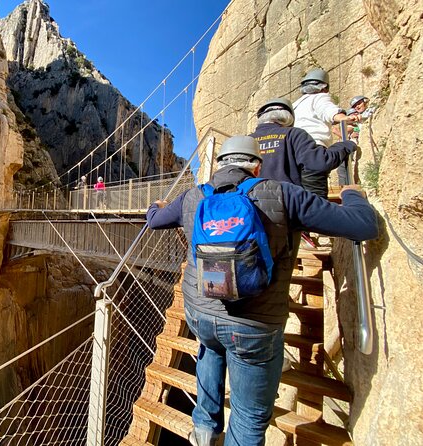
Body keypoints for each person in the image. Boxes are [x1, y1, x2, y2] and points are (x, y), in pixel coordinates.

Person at [146, 135, 378, 446]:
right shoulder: (284, 195)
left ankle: (203, 429)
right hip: (254, 327)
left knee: (211, 348)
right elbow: (363, 225)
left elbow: (154, 220)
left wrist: (157, 205)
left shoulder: (192, 197)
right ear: (257, 167)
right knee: (249, 416)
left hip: (200, 311)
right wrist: (352, 194)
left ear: (219, 165)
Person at [250, 97, 355, 188]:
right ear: (288, 117)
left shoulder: (246, 140)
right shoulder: (294, 134)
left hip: (250, 204)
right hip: (287, 202)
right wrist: (345, 145)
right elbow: (319, 162)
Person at [292, 68, 358, 198]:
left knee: (298, 198)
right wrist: (342, 117)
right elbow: (327, 110)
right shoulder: (319, 97)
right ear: (324, 87)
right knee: (315, 200)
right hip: (312, 149)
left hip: (293, 152)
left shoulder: (295, 105)